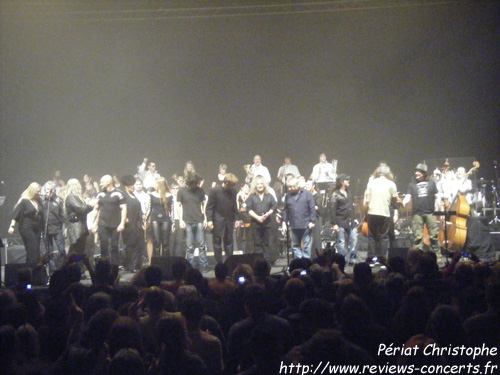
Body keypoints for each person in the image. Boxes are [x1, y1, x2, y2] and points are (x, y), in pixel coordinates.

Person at [402, 163, 440, 258]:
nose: (416, 173)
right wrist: (403, 202)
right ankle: (417, 257)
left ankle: (437, 256)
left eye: (418, 172)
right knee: (417, 237)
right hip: (417, 214)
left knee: (434, 236)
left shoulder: (431, 183)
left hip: (430, 213)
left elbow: (437, 196)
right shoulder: (412, 184)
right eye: (416, 171)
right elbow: (408, 196)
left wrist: (440, 209)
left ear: (424, 173)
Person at [364, 165, 398, 263]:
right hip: (384, 213)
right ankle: (382, 258)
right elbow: (394, 200)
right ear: (388, 173)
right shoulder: (391, 184)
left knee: (372, 236)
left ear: (378, 172)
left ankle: (371, 258)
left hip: (372, 212)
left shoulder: (371, 183)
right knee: (383, 236)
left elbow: (367, 200)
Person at [178, 172, 209, 272]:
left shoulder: (200, 191)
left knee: (201, 245)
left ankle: (203, 266)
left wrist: (205, 219)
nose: (195, 185)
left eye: (196, 183)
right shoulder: (182, 191)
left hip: (199, 220)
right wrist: (181, 220)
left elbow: (204, 205)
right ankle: (190, 266)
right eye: (194, 183)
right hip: (187, 221)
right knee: (190, 246)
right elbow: (178, 206)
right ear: (189, 183)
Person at [206, 173, 239, 264]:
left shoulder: (233, 191)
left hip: (229, 219)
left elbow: (234, 206)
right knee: (217, 242)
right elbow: (209, 207)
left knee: (229, 241)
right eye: (233, 184)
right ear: (227, 183)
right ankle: (219, 263)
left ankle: (230, 262)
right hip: (217, 219)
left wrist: (236, 218)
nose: (234, 186)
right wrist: (209, 220)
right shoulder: (214, 191)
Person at [93, 175, 127, 265]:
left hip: (115, 224)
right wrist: (93, 223)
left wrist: (122, 223)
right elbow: (96, 209)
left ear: (109, 182)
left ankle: (114, 266)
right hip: (103, 223)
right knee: (103, 245)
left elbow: (124, 208)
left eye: (102, 182)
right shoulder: (100, 194)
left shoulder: (119, 193)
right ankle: (104, 266)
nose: (100, 184)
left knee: (114, 246)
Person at [8, 182, 43, 266]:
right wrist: (12, 226)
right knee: (32, 248)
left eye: (40, 191)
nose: (39, 193)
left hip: (36, 227)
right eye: (37, 191)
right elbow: (16, 214)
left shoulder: (39, 200)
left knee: (36, 250)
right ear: (32, 191)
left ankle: (31, 269)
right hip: (26, 227)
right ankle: (32, 268)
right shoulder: (24, 201)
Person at [281, 177, 316, 259]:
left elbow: (312, 208)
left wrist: (312, 221)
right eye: (288, 187)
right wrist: (284, 222)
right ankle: (300, 262)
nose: (289, 189)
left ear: (297, 186)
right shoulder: (287, 196)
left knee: (306, 245)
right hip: (293, 225)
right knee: (295, 246)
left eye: (291, 187)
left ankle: (306, 262)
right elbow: (285, 210)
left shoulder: (307, 194)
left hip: (305, 224)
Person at [245, 175, 277, 261]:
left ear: (264, 185)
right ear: (255, 185)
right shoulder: (252, 196)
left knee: (266, 244)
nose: (260, 185)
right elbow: (248, 209)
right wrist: (258, 217)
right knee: (257, 244)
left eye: (261, 183)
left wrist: (267, 214)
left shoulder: (269, 195)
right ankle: (258, 262)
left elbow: (274, 207)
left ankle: (266, 262)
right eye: (258, 184)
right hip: (255, 224)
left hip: (267, 223)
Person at [329, 174, 358, 264]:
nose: (349, 181)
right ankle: (343, 259)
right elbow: (332, 210)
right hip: (340, 221)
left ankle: (353, 258)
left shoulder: (349, 192)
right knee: (341, 241)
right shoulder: (335, 194)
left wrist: (355, 218)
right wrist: (334, 224)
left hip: (350, 221)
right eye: (346, 180)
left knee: (354, 240)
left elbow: (351, 207)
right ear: (342, 182)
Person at [65, 178, 95, 263]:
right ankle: (73, 269)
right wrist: (91, 205)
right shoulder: (71, 197)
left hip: (80, 227)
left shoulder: (75, 197)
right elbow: (81, 209)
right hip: (76, 228)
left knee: (79, 250)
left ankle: (77, 269)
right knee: (76, 251)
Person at [41, 181, 66, 272]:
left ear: (54, 190)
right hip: (46, 229)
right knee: (49, 252)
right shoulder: (42, 200)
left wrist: (65, 228)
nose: (49, 191)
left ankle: (63, 268)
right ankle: (52, 270)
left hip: (57, 229)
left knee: (62, 250)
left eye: (51, 189)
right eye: (47, 189)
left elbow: (63, 215)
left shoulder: (59, 200)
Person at [121, 175, 145, 272]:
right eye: (131, 185)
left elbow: (138, 207)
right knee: (129, 244)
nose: (133, 186)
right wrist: (124, 219)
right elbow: (120, 208)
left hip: (136, 223)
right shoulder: (123, 195)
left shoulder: (133, 195)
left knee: (137, 244)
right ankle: (130, 265)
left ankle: (136, 265)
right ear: (126, 186)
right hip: (128, 223)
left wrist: (142, 215)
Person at [149, 177, 172, 258]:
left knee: (165, 243)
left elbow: (171, 210)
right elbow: (149, 208)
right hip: (155, 219)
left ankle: (166, 263)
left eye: (157, 184)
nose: (155, 185)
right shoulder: (152, 195)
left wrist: (173, 224)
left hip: (166, 219)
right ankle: (156, 263)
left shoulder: (170, 196)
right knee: (156, 242)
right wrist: (146, 220)